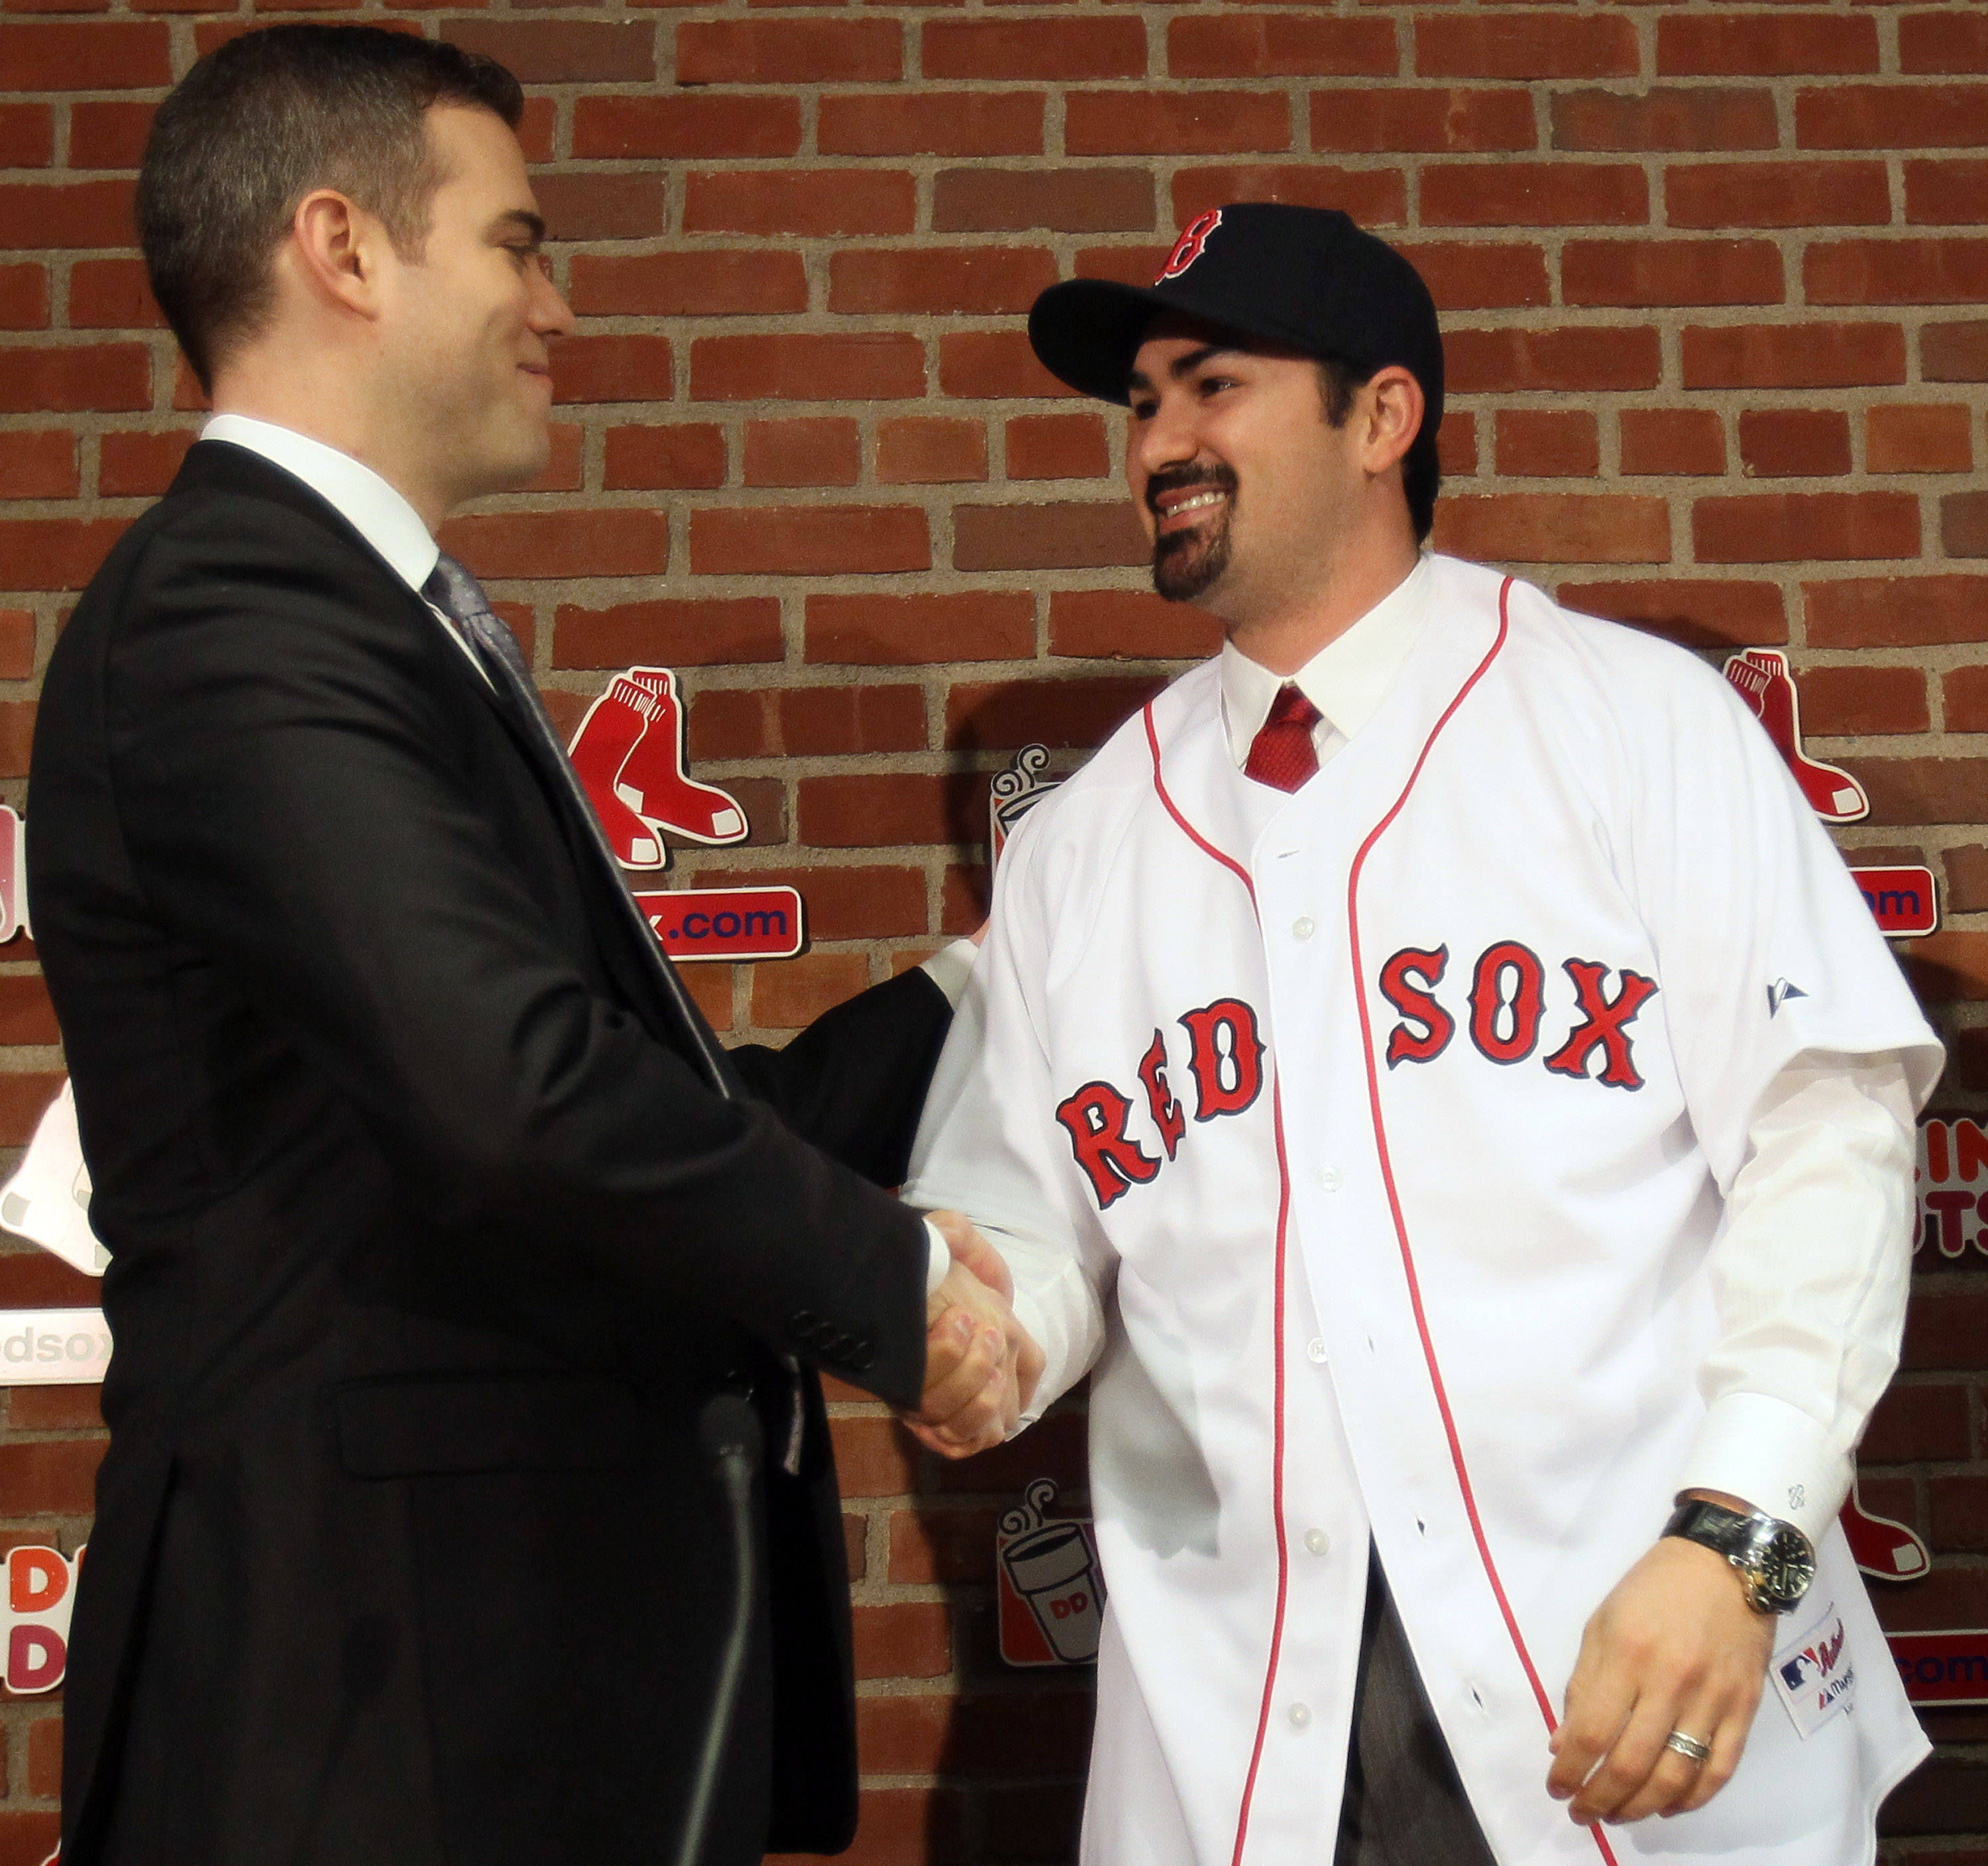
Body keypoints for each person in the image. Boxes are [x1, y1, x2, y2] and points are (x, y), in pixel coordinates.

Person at [30, 25, 1032, 1866]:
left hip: (473, 1698)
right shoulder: (234, 611)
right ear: (344, 249)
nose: (557, 305)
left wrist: (998, 978)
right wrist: (896, 1288)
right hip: (370, 1714)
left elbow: (600, 1088)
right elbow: (514, 1090)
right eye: (515, 241)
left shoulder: (347, 616)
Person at [904, 203, 1941, 1866]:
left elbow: (1828, 1140)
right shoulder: (1081, 846)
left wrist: (1737, 1534)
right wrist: (983, 1323)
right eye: (1143, 403)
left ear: (1381, 418)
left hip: (1633, 1658)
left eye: (1212, 385)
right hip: (1248, 1729)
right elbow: (1037, 1235)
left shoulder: (1632, 724)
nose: (1160, 440)